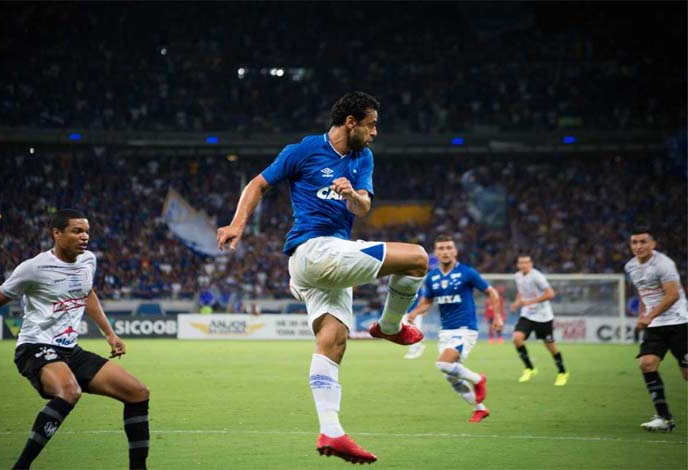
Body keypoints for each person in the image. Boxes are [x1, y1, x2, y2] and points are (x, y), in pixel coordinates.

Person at [217, 91, 428, 464]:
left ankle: (331, 430)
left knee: (333, 340)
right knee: (417, 258)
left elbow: (363, 205)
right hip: (315, 250)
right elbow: (257, 184)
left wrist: (352, 196)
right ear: (351, 122)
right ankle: (391, 325)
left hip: (327, 265)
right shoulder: (303, 151)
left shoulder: (363, 157)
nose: (376, 132)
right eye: (372, 124)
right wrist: (237, 224)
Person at [0, 209, 151, 469]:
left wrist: (109, 333)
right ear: (57, 233)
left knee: (138, 393)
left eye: (87, 232)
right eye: (77, 231)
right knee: (70, 391)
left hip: (70, 351)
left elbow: (86, 293)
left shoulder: (88, 260)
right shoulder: (33, 268)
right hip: (35, 347)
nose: (85, 237)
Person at [406, 235, 501, 423]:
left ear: (455, 251)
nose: (445, 251)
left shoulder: (467, 273)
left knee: (443, 364)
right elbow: (427, 301)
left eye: (449, 247)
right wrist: (415, 313)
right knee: (451, 376)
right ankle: (479, 409)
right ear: (436, 253)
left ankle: (478, 379)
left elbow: (491, 292)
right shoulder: (432, 277)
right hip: (445, 332)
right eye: (441, 248)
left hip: (465, 329)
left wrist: (497, 316)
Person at [625, 226, 688, 432]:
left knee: (686, 374)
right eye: (634, 242)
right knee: (647, 364)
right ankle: (663, 417)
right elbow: (645, 294)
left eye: (643, 242)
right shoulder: (631, 267)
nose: (638, 246)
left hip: (679, 322)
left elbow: (672, 295)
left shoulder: (663, 264)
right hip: (656, 325)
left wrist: (649, 316)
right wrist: (643, 315)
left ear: (653, 244)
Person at [510, 255, 569, 386]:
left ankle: (562, 372)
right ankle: (530, 368)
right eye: (521, 263)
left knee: (549, 345)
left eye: (526, 262)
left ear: (531, 264)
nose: (524, 265)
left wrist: (530, 301)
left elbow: (550, 294)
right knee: (517, 338)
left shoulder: (537, 276)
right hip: (527, 314)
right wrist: (516, 303)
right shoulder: (518, 276)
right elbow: (521, 292)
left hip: (543, 316)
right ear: (518, 265)